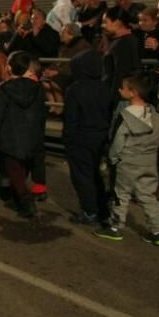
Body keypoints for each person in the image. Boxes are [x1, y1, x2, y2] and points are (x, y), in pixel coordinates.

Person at [96, 74, 159, 245]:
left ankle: (115, 227)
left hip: (127, 162)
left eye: (123, 88)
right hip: (148, 161)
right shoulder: (155, 115)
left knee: (121, 194)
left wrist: (112, 158)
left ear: (132, 92)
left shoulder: (126, 115)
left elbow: (118, 140)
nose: (120, 90)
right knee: (147, 195)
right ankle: (157, 229)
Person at [0, 52, 47, 218]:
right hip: (32, 134)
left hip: (11, 135)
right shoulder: (37, 88)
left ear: (9, 67)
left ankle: (26, 201)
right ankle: (17, 198)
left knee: (14, 169)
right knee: (22, 167)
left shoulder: (4, 89)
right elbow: (42, 113)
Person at [62, 51, 113, 225]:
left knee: (82, 176)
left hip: (80, 137)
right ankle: (102, 209)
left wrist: (67, 139)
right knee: (95, 174)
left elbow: (71, 118)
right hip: (100, 136)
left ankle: (89, 211)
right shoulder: (105, 87)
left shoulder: (75, 89)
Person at [102, 6, 140, 100]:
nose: (104, 25)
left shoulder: (124, 42)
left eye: (106, 22)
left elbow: (120, 73)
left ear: (117, 22)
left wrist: (113, 98)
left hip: (121, 96)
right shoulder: (121, 40)